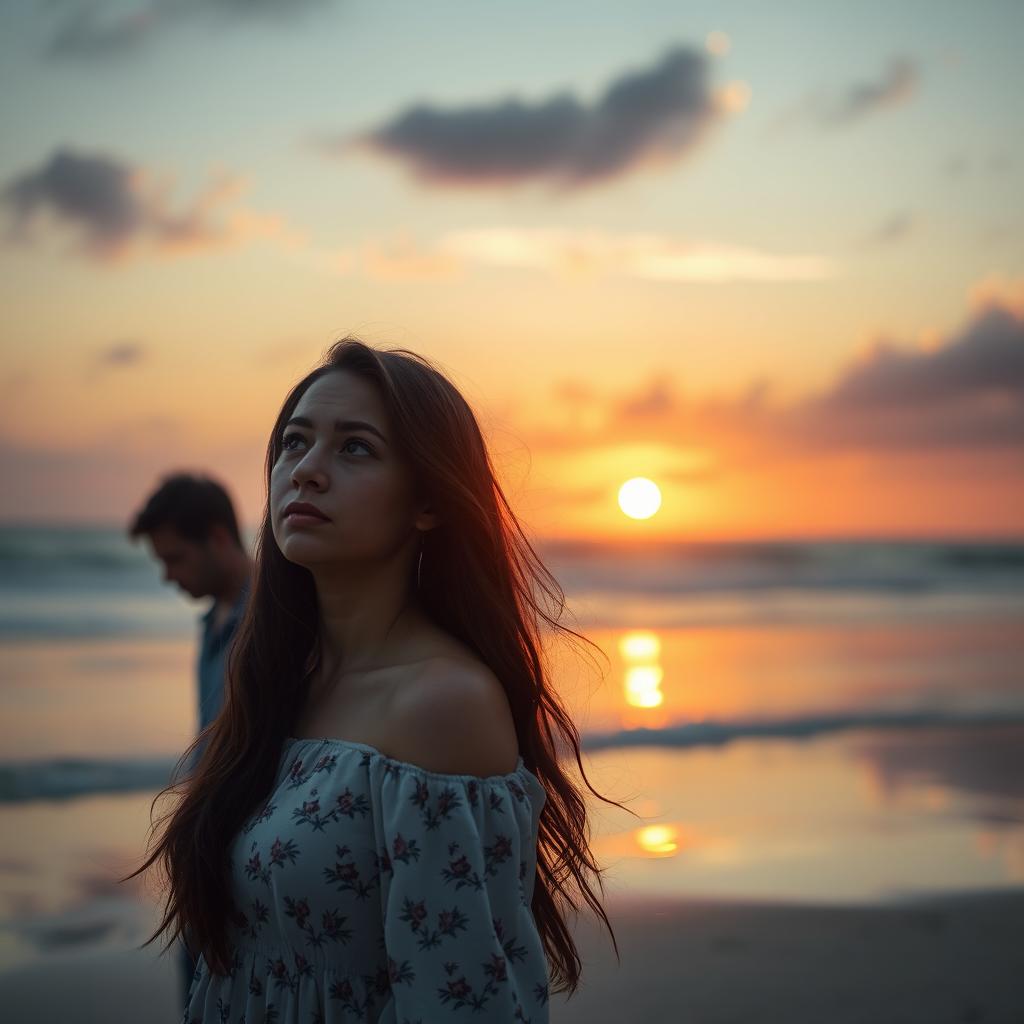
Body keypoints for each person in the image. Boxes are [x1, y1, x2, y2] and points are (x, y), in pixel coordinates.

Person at [123, 337, 632, 1022]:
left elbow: (462, 1001)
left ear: (427, 502)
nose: (306, 471)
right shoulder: (275, 677)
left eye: (354, 448)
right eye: (294, 443)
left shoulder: (444, 705)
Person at [126, 472, 253, 1007]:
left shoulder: (273, 625)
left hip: (243, 853)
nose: (167, 576)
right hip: (206, 844)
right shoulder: (213, 622)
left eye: (174, 559)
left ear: (219, 539)